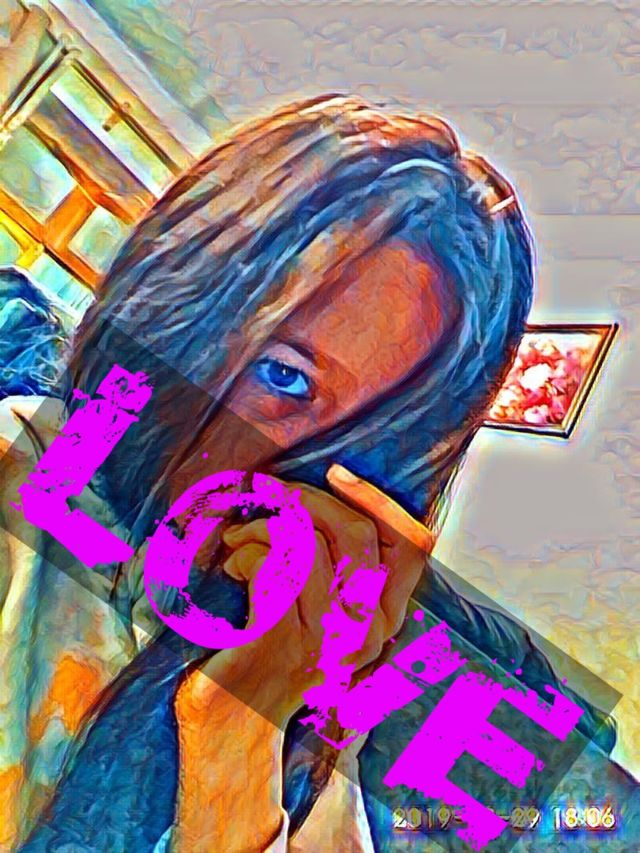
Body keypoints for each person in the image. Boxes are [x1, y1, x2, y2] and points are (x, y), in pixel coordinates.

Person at [0, 95, 633, 852]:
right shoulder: (27, 471)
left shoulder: (325, 691)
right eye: (284, 375)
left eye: (373, 442)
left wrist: (241, 732)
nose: (296, 477)